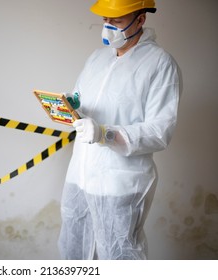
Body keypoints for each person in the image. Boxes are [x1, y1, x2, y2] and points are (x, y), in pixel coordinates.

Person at [58, 0, 181, 260]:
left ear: (141, 19)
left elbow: (160, 130)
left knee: (120, 257)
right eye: (105, 20)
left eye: (116, 20)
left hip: (120, 181)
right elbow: (85, 99)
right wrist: (73, 104)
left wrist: (105, 134)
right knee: (75, 251)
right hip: (80, 174)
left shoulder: (160, 64)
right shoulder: (97, 58)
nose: (108, 26)